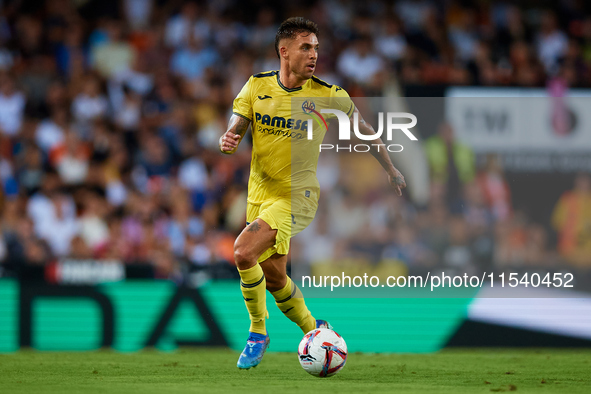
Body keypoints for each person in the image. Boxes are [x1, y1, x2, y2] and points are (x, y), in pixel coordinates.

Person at [219, 17, 406, 369]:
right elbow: (237, 125)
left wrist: (391, 169)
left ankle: (258, 333)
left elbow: (365, 131)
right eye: (306, 47)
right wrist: (227, 139)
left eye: (316, 48)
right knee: (274, 278)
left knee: (243, 253)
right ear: (284, 51)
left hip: (298, 197)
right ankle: (316, 330)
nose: (314, 54)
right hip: (259, 194)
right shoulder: (256, 87)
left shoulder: (328, 95)